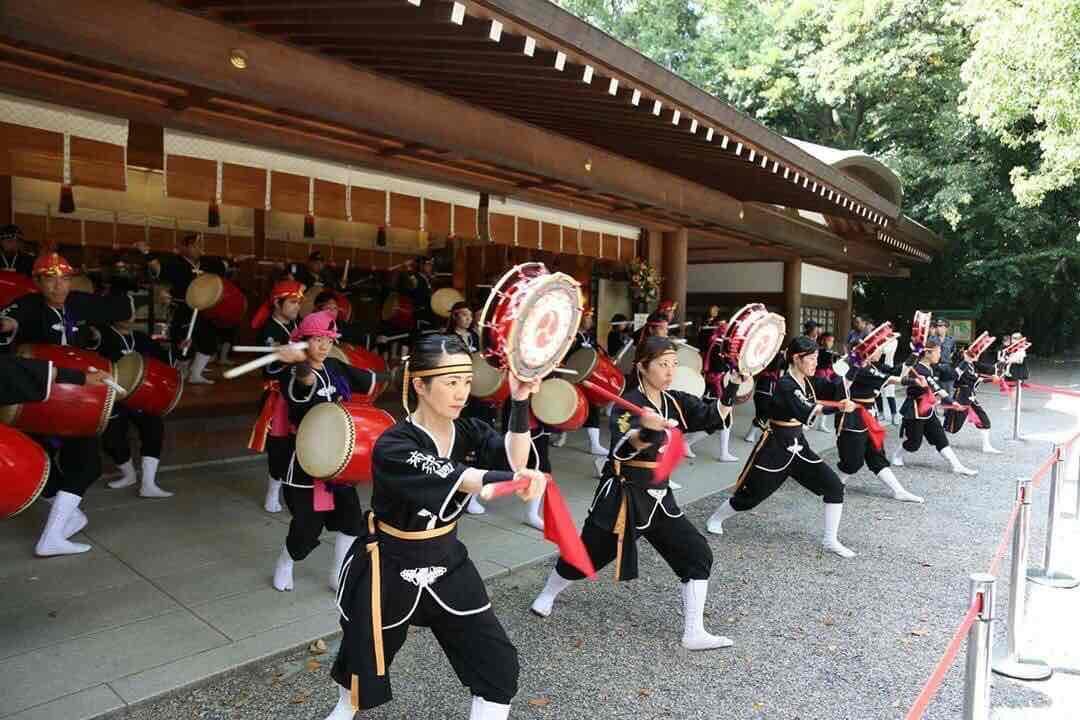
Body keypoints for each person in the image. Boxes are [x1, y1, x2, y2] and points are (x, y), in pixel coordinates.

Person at [323, 333, 545, 720]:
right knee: (364, 664)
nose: (461, 393)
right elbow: (459, 477)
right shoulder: (394, 444)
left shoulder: (471, 430)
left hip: (447, 560)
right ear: (420, 385)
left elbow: (514, 459)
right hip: (388, 565)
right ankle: (342, 713)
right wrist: (509, 481)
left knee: (497, 664)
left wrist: (521, 402)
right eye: (450, 382)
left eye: (465, 382)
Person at [530, 336, 741, 652]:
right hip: (623, 498)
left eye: (673, 364)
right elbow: (620, 450)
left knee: (697, 555)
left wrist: (734, 387)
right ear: (643, 367)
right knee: (585, 557)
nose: (670, 371)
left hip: (659, 499)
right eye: (662, 364)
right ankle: (547, 594)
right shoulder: (626, 404)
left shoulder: (674, 401)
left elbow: (713, 415)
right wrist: (646, 432)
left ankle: (694, 632)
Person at [0, 252, 132, 556]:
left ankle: (59, 528)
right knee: (42, 463)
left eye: (65, 278)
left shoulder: (79, 302)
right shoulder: (27, 305)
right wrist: (6, 325)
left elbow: (122, 308)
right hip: (35, 400)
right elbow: (9, 321)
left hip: (77, 399)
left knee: (84, 465)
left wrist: (119, 281)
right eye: (50, 279)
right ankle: (56, 533)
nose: (59, 286)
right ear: (37, 282)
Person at [706, 336, 859, 558]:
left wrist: (854, 367)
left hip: (799, 447)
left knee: (834, 487)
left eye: (817, 358)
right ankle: (716, 518)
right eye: (812, 358)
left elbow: (835, 388)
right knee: (751, 496)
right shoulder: (786, 384)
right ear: (797, 358)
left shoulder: (808, 380)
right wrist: (838, 408)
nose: (816, 363)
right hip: (775, 448)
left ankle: (830, 539)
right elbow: (809, 408)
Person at [271, 311, 384, 593]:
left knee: (351, 522)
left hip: (338, 460)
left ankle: (338, 573)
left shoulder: (335, 366)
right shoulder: (293, 373)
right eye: (317, 339)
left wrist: (411, 372)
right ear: (303, 341)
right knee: (307, 527)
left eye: (328, 340)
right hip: (306, 460)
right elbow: (304, 382)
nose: (323, 346)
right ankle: (286, 561)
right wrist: (301, 365)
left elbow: (374, 379)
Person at [93, 273, 175, 498]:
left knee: (153, 426)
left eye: (131, 310)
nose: (129, 314)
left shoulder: (142, 339)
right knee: (111, 437)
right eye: (123, 310)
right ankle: (129, 474)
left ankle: (148, 483)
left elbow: (163, 364)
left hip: (140, 397)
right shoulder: (101, 338)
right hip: (113, 397)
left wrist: (175, 349)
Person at [834, 339, 923, 503]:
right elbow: (888, 379)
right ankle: (835, 485)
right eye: (874, 348)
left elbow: (897, 373)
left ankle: (899, 490)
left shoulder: (873, 366)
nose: (879, 350)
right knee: (853, 460)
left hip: (870, 415)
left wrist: (915, 354)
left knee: (876, 455)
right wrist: (911, 381)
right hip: (853, 417)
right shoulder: (849, 368)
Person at [250, 280, 306, 513]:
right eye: (292, 302)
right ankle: (273, 492)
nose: (296, 307)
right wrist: (293, 357)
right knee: (279, 447)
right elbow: (270, 369)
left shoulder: (298, 324)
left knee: (300, 445)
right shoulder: (269, 331)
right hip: (278, 397)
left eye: (298, 303)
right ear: (276, 303)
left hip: (300, 392)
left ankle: (296, 489)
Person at [889, 337, 978, 475]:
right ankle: (897, 455)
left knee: (940, 437)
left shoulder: (933, 367)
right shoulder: (918, 369)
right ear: (927, 353)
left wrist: (966, 360)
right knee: (914, 443)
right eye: (937, 352)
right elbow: (937, 388)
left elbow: (952, 374)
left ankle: (956, 465)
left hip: (929, 409)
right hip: (915, 410)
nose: (939, 355)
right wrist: (951, 401)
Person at [444, 300, 493, 516]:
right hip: (457, 393)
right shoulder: (448, 339)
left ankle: (470, 495)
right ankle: (452, 492)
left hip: (476, 394)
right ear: (455, 316)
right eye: (464, 315)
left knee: (477, 441)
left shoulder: (474, 337)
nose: (468, 319)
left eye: (469, 315)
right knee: (457, 442)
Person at [149, 233, 217, 384]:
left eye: (200, 246)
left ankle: (195, 374)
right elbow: (157, 271)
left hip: (203, 309)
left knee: (209, 340)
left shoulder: (206, 265)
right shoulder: (176, 264)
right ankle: (178, 374)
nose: (199, 249)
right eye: (195, 246)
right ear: (185, 248)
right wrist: (147, 254)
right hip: (182, 308)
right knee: (183, 344)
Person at [550, 308, 608, 456]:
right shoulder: (571, 336)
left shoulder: (590, 337)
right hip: (571, 376)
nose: (590, 321)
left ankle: (595, 444)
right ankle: (561, 434)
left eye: (591, 318)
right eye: (587, 317)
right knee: (568, 406)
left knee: (592, 406)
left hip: (587, 377)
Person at [943, 339, 1002, 454]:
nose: (977, 355)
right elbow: (973, 378)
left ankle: (986, 446)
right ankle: (938, 439)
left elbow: (989, 368)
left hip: (970, 396)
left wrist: (1004, 361)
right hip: (961, 396)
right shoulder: (961, 365)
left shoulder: (972, 364)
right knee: (952, 424)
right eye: (975, 353)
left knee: (983, 420)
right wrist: (991, 379)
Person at [696, 321, 738, 462]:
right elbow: (721, 367)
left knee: (719, 422)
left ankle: (724, 452)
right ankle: (686, 442)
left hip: (713, 387)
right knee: (718, 422)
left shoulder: (714, 342)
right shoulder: (719, 346)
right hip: (717, 388)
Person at [744, 350, 783, 444]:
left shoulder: (762, 368)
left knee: (760, 414)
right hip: (767, 394)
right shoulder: (774, 372)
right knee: (765, 414)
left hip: (758, 393)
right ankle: (752, 434)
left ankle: (751, 434)